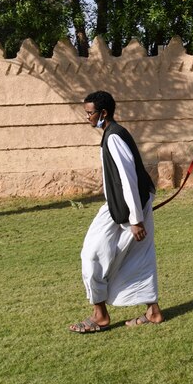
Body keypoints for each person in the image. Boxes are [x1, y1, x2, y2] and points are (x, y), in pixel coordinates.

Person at [68, 90, 164, 333]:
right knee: (131, 256)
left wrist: (135, 219)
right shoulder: (111, 134)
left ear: (103, 113)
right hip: (119, 208)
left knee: (92, 254)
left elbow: (128, 180)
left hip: (128, 211)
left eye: (90, 113)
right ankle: (152, 312)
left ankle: (100, 316)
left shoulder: (114, 137)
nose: (88, 117)